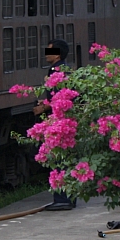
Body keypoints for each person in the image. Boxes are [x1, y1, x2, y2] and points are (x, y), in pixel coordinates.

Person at [34, 39, 75, 210]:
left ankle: (62, 198)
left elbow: (59, 97)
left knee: (59, 159)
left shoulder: (57, 71)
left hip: (60, 121)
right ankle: (69, 197)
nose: (46, 54)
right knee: (65, 158)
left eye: (50, 51)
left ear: (57, 54)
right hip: (65, 120)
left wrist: (43, 108)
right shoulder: (63, 68)